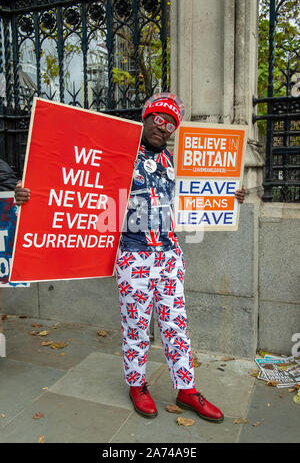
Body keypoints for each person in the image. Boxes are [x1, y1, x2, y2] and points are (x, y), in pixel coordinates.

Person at [15, 93, 246, 423]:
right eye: (158, 119)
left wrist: (230, 195)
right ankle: (137, 385)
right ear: (146, 119)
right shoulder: (118, 158)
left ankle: (187, 388)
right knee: (136, 326)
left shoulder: (177, 166)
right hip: (134, 256)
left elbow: (199, 203)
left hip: (169, 256)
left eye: (170, 124)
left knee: (176, 326)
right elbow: (70, 180)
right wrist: (29, 194)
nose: (163, 128)